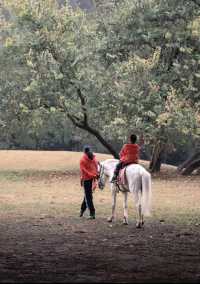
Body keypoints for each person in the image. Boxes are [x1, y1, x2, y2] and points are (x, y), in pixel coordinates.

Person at [79, 146, 99, 219]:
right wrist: (95, 174)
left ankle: (92, 213)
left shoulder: (82, 160)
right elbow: (96, 166)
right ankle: (82, 210)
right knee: (87, 195)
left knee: (88, 196)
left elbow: (84, 171)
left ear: (84, 152)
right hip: (93, 178)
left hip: (87, 179)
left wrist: (93, 175)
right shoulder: (94, 158)